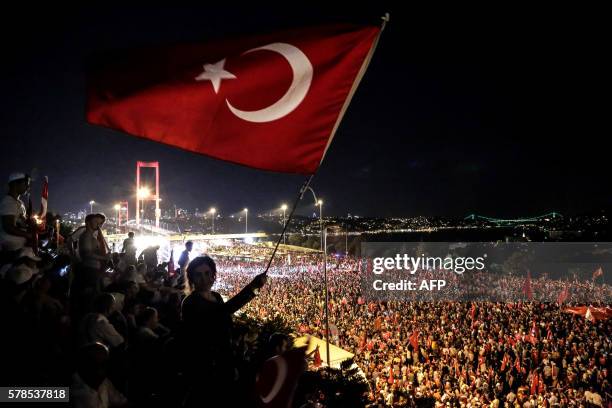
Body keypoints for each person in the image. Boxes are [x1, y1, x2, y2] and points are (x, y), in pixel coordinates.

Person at [180, 255, 267, 407]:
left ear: (214, 275)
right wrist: (252, 286)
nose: (204, 279)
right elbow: (221, 313)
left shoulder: (216, 296)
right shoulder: (190, 303)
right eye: (199, 275)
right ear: (191, 278)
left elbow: (223, 321)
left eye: (207, 273)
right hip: (205, 366)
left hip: (224, 359)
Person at [71, 342, 128, 408]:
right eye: (97, 364)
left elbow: (121, 401)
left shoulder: (104, 382)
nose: (105, 369)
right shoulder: (69, 388)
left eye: (106, 363)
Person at [0, 172, 32, 253]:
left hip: (21, 247)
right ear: (15, 184)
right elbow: (8, 227)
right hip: (12, 251)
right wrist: (28, 235)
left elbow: (23, 222)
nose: (28, 187)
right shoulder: (8, 202)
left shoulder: (20, 203)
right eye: (26, 184)